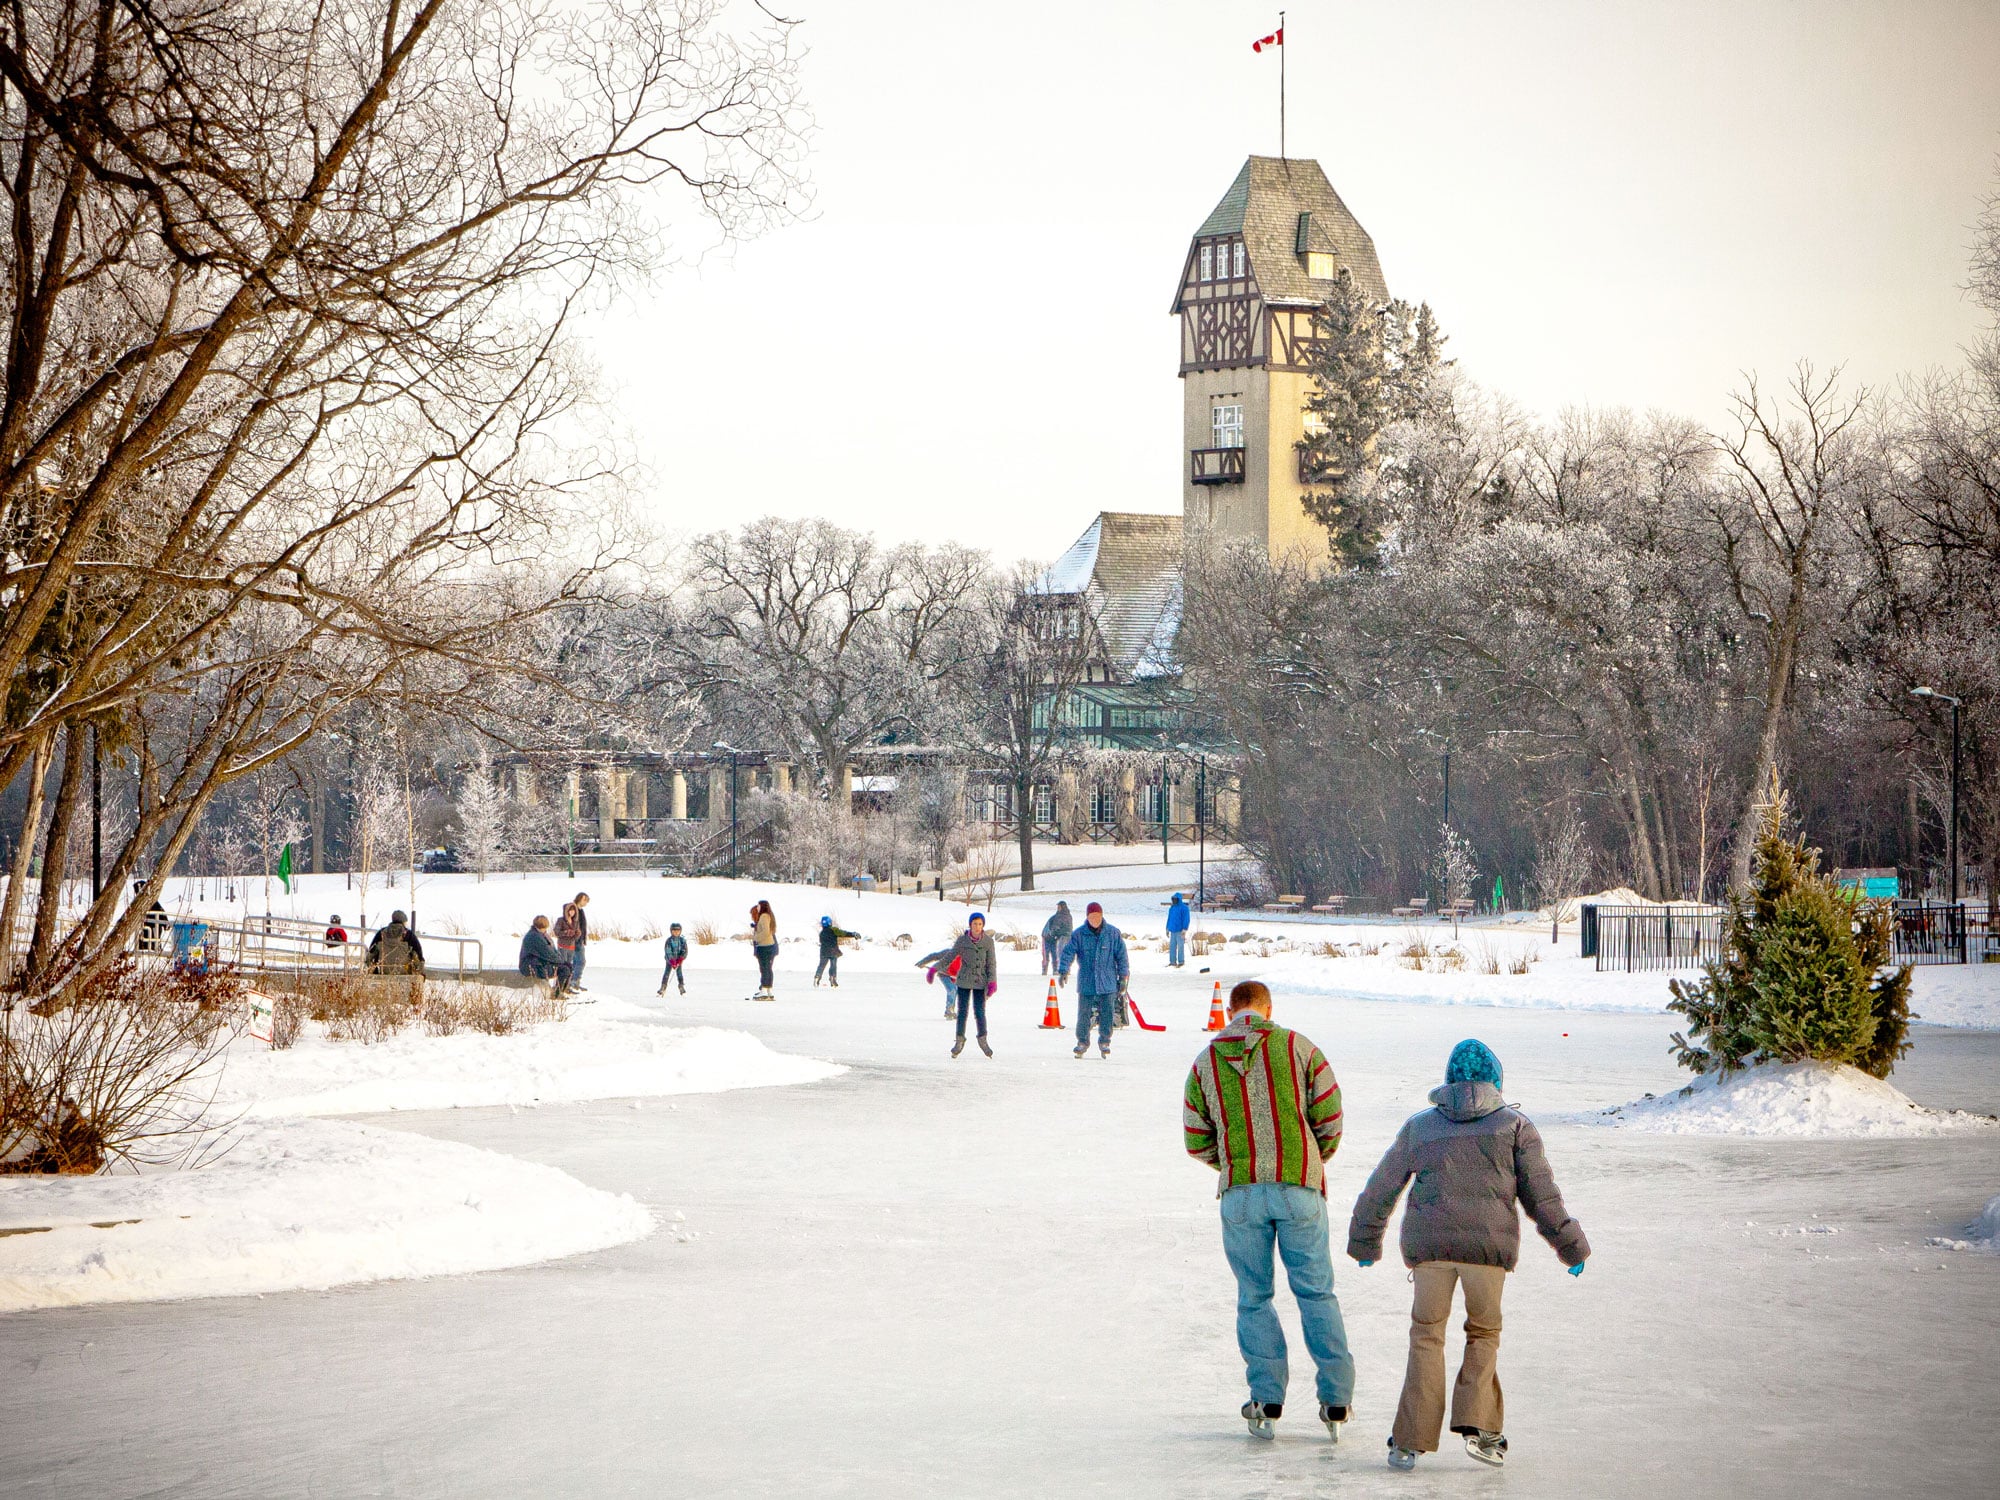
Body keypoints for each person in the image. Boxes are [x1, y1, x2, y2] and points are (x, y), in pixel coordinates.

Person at [1347, 1039, 1590, 1473]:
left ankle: (1409, 1440)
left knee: (1426, 1334)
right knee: (1483, 1332)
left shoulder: (1420, 1126)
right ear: (1496, 1082)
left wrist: (1365, 1243)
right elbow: (1542, 1197)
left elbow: (1382, 1186)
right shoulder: (1515, 1127)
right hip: (1487, 1251)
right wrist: (1570, 1246)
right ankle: (1480, 1427)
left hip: (1430, 1251)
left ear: (1449, 1080)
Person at [1183, 979, 1353, 1443]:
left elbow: (1195, 1136)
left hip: (1240, 1193)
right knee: (1316, 1293)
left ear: (1231, 1013)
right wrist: (1312, 1156)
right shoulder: (1299, 1047)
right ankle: (1336, 1398)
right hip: (1298, 1186)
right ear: (1267, 1009)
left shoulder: (1204, 1063)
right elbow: (1330, 1115)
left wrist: (1237, 1163)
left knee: (1253, 1296)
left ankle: (1266, 1397)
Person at [1059, 901, 1129, 1059]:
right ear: (1087, 917)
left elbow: (1122, 957)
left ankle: (1105, 1040)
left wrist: (1123, 977)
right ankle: (1082, 1041)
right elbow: (1068, 952)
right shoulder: (1079, 934)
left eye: (1097, 917)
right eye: (1092, 917)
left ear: (1102, 916)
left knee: (1107, 1013)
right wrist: (1064, 970)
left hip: (1108, 982)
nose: (1095, 920)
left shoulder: (1112, 934)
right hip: (1087, 981)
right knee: (1084, 1014)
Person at [936, 912, 998, 1058]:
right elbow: (950, 956)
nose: (977, 927)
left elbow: (991, 963)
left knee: (980, 1012)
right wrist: (935, 968)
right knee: (962, 1012)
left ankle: (983, 1039)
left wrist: (992, 982)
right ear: (970, 925)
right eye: (975, 924)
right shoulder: (963, 941)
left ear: (983, 925)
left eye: (980, 924)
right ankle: (959, 1040)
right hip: (964, 980)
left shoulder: (988, 942)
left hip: (980, 981)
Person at [915, 938, 963, 1020]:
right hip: (945, 975)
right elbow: (934, 956)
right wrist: (922, 962)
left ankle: (951, 1009)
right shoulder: (948, 953)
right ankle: (949, 1011)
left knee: (957, 991)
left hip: (957, 977)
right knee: (952, 990)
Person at [520, 915, 572, 992]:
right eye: (543, 928)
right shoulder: (534, 936)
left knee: (567, 966)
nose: (545, 930)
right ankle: (557, 993)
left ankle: (561, 990)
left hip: (539, 963)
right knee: (564, 970)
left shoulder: (540, 934)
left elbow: (551, 951)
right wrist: (561, 962)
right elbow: (548, 953)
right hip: (532, 966)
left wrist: (561, 961)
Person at [367, 909, 425, 976]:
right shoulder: (409, 935)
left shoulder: (381, 933)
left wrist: (372, 970)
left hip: (382, 974)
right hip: (404, 975)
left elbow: (370, 955)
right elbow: (418, 956)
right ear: (403, 922)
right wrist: (420, 972)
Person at [815, 915, 858, 988]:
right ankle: (833, 979)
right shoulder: (834, 930)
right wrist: (853, 934)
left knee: (821, 966)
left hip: (824, 951)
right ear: (829, 922)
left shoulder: (821, 933)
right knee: (833, 965)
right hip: (833, 951)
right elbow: (843, 933)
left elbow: (821, 941)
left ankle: (817, 977)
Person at [751, 899, 778, 999]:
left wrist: (755, 938)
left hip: (765, 946)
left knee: (764, 968)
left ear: (762, 906)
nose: (757, 907)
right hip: (769, 946)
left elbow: (766, 931)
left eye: (758, 906)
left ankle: (764, 990)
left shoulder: (764, 916)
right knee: (767, 968)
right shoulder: (768, 916)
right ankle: (768, 990)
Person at [1040, 900, 1073, 976]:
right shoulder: (1066, 916)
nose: (1058, 908)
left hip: (1058, 937)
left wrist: (1054, 934)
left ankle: (1058, 970)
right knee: (1054, 954)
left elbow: (1056, 928)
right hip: (1050, 937)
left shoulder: (1060, 916)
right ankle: (1052, 970)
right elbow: (1054, 928)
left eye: (1059, 907)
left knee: (1058, 953)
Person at [554, 901, 583, 985]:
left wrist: (577, 934)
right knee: (562, 967)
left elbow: (576, 934)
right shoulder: (561, 920)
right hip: (562, 946)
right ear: (566, 911)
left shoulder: (576, 922)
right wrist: (566, 932)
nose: (572, 912)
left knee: (570, 967)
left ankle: (567, 985)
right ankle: (559, 986)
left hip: (571, 946)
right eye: (570, 910)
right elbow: (556, 932)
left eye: (574, 911)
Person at [569, 891, 592, 992]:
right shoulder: (574, 909)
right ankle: (574, 981)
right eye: (585, 900)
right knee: (580, 961)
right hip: (576, 940)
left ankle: (573, 982)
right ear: (580, 899)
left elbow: (583, 926)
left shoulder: (580, 910)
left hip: (579, 940)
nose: (586, 902)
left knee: (576, 961)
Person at [660, 923, 688, 996]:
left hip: (679, 960)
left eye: (678, 930)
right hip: (670, 961)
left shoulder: (682, 941)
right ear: (671, 931)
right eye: (674, 930)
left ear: (680, 931)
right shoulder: (669, 941)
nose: (676, 932)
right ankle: (663, 986)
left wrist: (681, 958)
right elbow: (668, 951)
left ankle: (681, 986)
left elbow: (685, 950)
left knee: (679, 973)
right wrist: (672, 961)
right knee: (667, 973)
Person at [1166, 892, 1192, 967]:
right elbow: (1169, 919)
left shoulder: (1184, 908)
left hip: (1180, 931)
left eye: (1175, 899)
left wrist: (1185, 929)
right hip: (1172, 930)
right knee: (1172, 947)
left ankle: (1181, 962)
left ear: (1179, 899)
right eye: (1173, 899)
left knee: (1180, 946)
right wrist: (1167, 928)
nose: (1173, 901)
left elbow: (1186, 919)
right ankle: (1172, 962)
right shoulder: (1172, 908)